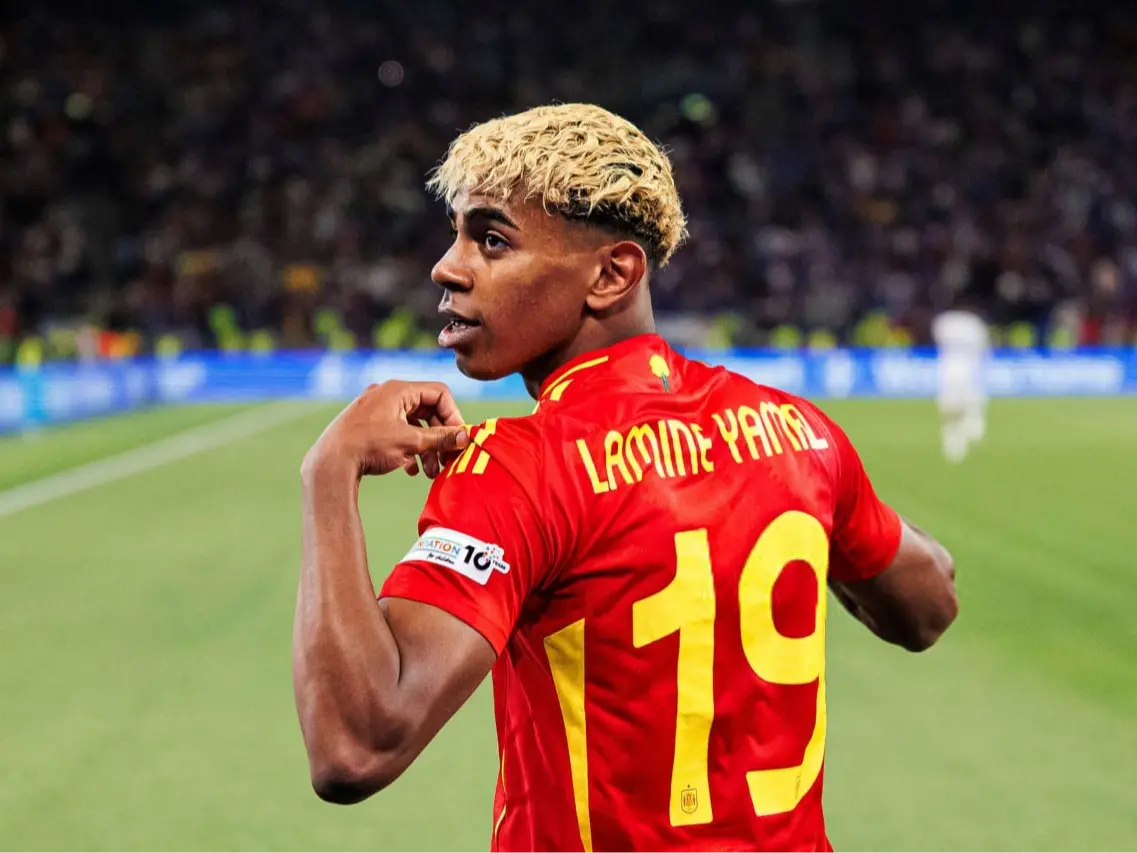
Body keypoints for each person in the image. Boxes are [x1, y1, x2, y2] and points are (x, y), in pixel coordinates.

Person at [293, 104, 958, 852]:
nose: (447, 267)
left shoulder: (522, 464)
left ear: (611, 274)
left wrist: (329, 472)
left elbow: (355, 748)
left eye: (492, 240)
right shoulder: (799, 431)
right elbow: (929, 605)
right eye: (456, 234)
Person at [931, 299, 991, 463]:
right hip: (965, 369)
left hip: (950, 370)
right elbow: (984, 347)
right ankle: (964, 433)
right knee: (964, 403)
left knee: (956, 406)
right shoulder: (974, 324)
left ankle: (959, 435)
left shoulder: (944, 322)